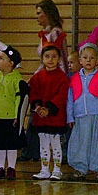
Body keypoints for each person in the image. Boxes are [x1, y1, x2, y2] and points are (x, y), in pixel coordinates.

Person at [21, 0, 69, 162]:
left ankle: (38, 152)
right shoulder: (45, 34)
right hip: (44, 78)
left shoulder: (55, 33)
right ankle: (32, 151)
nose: (37, 17)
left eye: (39, 13)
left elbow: (59, 59)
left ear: (47, 14)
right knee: (37, 111)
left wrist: (60, 80)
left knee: (48, 112)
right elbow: (43, 62)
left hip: (53, 80)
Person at [67, 26, 98, 182]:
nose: (88, 61)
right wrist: (70, 117)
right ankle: (80, 168)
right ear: (80, 61)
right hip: (80, 117)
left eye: (92, 58)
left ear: (97, 61)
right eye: (85, 58)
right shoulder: (74, 79)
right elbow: (70, 99)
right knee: (80, 142)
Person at [0, 32, 29, 181]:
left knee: (11, 145)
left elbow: (19, 100)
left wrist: (17, 116)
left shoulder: (17, 79)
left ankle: (11, 168)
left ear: (11, 63)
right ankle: (0, 167)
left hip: (11, 118)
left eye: (1, 58)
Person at [29, 43, 70, 180]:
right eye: (47, 56)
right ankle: (44, 169)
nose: (50, 59)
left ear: (59, 59)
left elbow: (61, 96)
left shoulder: (62, 77)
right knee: (43, 144)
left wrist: (49, 109)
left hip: (55, 116)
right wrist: (38, 108)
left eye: (54, 56)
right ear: (42, 58)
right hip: (40, 117)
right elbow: (33, 93)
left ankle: (57, 170)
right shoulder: (37, 77)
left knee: (56, 143)